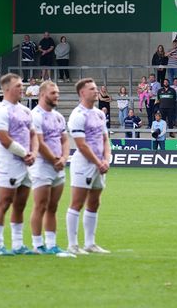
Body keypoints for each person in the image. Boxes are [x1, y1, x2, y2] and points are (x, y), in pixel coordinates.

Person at [0, 73, 38, 256]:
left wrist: (33, 152)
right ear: (7, 88)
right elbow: (3, 138)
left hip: (26, 163)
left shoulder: (25, 110)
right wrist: (26, 154)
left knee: (20, 204)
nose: (22, 88)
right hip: (8, 162)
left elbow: (33, 134)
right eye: (18, 85)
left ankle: (18, 244)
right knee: (4, 202)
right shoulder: (1, 110)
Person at [66, 78, 111, 255]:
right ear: (82, 93)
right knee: (77, 202)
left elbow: (105, 140)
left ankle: (90, 243)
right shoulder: (77, 115)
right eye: (92, 89)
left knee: (94, 202)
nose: (96, 90)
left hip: (100, 165)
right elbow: (81, 145)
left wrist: (107, 160)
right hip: (84, 164)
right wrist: (98, 162)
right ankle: (72, 244)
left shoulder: (100, 114)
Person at [29, 81, 69, 255]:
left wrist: (64, 158)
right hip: (42, 165)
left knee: (53, 206)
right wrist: (54, 159)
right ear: (43, 94)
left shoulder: (59, 116)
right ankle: (37, 244)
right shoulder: (35, 115)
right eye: (53, 93)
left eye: (57, 93)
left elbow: (65, 140)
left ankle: (51, 244)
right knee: (40, 205)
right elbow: (39, 141)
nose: (57, 96)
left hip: (58, 166)